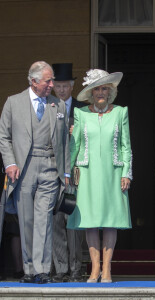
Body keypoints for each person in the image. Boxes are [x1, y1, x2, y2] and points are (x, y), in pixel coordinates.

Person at [0, 61, 70, 284]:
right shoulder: (13, 103)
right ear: (33, 81)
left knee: (44, 220)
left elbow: (64, 142)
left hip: (50, 167)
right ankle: (29, 269)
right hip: (23, 168)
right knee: (27, 220)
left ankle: (41, 270)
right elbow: (4, 137)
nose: (52, 84)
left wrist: (66, 172)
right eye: (48, 81)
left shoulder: (57, 105)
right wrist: (10, 163)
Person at [67, 69, 132, 283]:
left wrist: (127, 173)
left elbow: (126, 146)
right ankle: (95, 269)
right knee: (91, 221)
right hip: (87, 173)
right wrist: (68, 172)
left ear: (111, 92)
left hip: (113, 173)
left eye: (105, 88)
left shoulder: (120, 112)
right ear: (91, 93)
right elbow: (74, 145)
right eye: (97, 89)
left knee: (111, 221)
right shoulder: (81, 114)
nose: (101, 93)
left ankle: (107, 270)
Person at [51, 63, 85, 283]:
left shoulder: (82, 110)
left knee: (72, 220)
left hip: (73, 174)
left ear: (72, 86)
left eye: (65, 86)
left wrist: (78, 132)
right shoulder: (48, 107)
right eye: (58, 86)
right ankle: (60, 268)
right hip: (52, 173)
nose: (62, 90)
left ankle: (75, 268)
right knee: (56, 221)